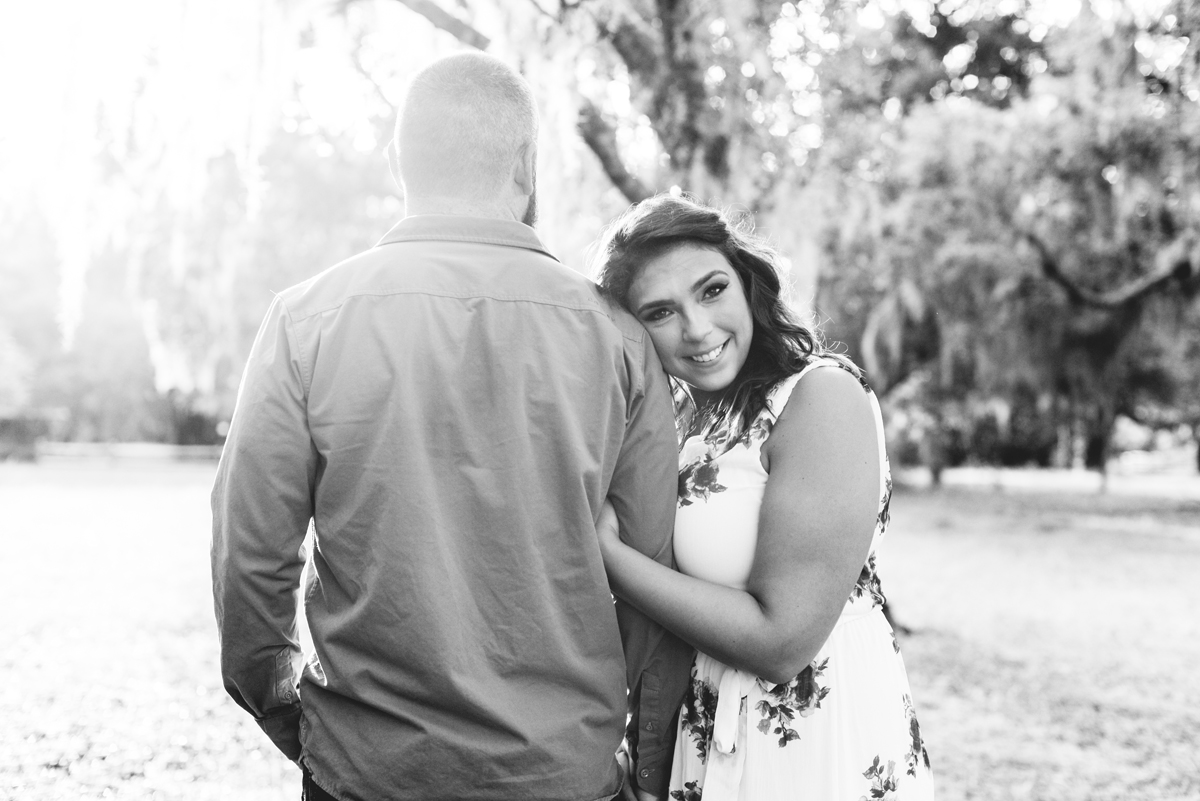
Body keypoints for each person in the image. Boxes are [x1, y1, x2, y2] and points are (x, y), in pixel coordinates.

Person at [210, 52, 692, 801]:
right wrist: (620, 745)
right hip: (561, 772)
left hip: (367, 771)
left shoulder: (305, 322)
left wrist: (290, 714)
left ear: (398, 161)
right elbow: (654, 573)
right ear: (528, 166)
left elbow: (250, 559)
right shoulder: (622, 340)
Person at [592, 194, 935, 801]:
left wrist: (611, 557)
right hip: (708, 727)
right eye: (661, 311)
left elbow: (783, 642)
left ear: (747, 283)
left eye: (712, 290)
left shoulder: (819, 398)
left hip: (813, 739)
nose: (698, 329)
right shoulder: (686, 421)